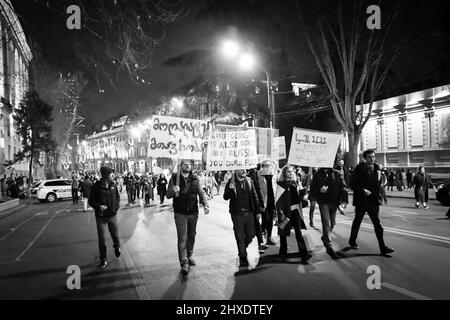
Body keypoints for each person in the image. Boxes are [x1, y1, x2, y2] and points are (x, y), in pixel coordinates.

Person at [166, 160, 209, 276]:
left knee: (192, 235)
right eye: (185, 164)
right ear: (181, 165)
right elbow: (168, 194)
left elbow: (201, 192)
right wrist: (173, 190)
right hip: (180, 213)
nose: (188, 166)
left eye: (190, 164)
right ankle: (184, 262)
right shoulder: (175, 178)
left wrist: (206, 204)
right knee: (182, 238)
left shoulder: (195, 178)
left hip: (193, 212)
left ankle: (189, 255)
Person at [348, 149, 394, 255]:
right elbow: (353, 184)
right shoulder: (359, 168)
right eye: (369, 157)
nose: (372, 159)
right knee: (357, 222)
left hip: (373, 201)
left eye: (373, 156)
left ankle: (383, 248)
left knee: (377, 224)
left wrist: (382, 179)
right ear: (365, 158)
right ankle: (352, 241)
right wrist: (363, 190)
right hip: (362, 201)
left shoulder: (378, 168)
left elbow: (380, 184)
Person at [275, 165, 312, 264]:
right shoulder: (280, 184)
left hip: (295, 211)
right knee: (283, 232)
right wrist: (280, 213)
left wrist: (304, 189)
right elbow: (278, 201)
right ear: (284, 173)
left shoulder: (296, 183)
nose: (291, 173)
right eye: (288, 171)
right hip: (285, 212)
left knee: (298, 233)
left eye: (292, 171)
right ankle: (283, 252)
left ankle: (304, 254)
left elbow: (302, 195)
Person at [224, 169, 261, 267]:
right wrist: (230, 189)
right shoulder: (231, 181)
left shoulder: (249, 180)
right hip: (237, 214)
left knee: (251, 234)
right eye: (241, 169)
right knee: (239, 236)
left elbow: (254, 195)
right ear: (236, 171)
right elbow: (225, 197)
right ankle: (243, 257)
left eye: (244, 169)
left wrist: (258, 211)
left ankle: (242, 248)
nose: (244, 171)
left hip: (249, 213)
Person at [310, 167, 348, 257]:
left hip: (334, 201)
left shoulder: (337, 173)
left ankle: (324, 237)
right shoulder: (317, 175)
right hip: (323, 202)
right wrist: (320, 190)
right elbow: (312, 188)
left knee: (332, 223)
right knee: (326, 222)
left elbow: (343, 187)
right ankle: (328, 245)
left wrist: (344, 200)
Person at [88, 167, 121, 269]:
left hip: (112, 215)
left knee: (115, 234)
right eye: (111, 173)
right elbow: (91, 201)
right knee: (102, 238)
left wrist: (115, 208)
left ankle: (117, 246)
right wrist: (99, 207)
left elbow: (117, 197)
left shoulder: (113, 185)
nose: (112, 175)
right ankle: (103, 259)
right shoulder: (96, 186)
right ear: (106, 174)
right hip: (101, 217)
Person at [248, 167, 269, 253]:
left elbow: (257, 189)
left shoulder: (255, 173)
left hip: (254, 202)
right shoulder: (238, 173)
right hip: (244, 205)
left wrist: (261, 203)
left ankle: (260, 244)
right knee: (248, 228)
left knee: (257, 223)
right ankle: (243, 248)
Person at [258, 160, 277, 246]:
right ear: (262, 166)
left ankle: (269, 237)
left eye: (268, 165)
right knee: (265, 218)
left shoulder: (273, 175)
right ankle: (261, 236)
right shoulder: (258, 174)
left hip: (272, 200)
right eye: (265, 165)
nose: (267, 166)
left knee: (270, 219)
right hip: (263, 201)